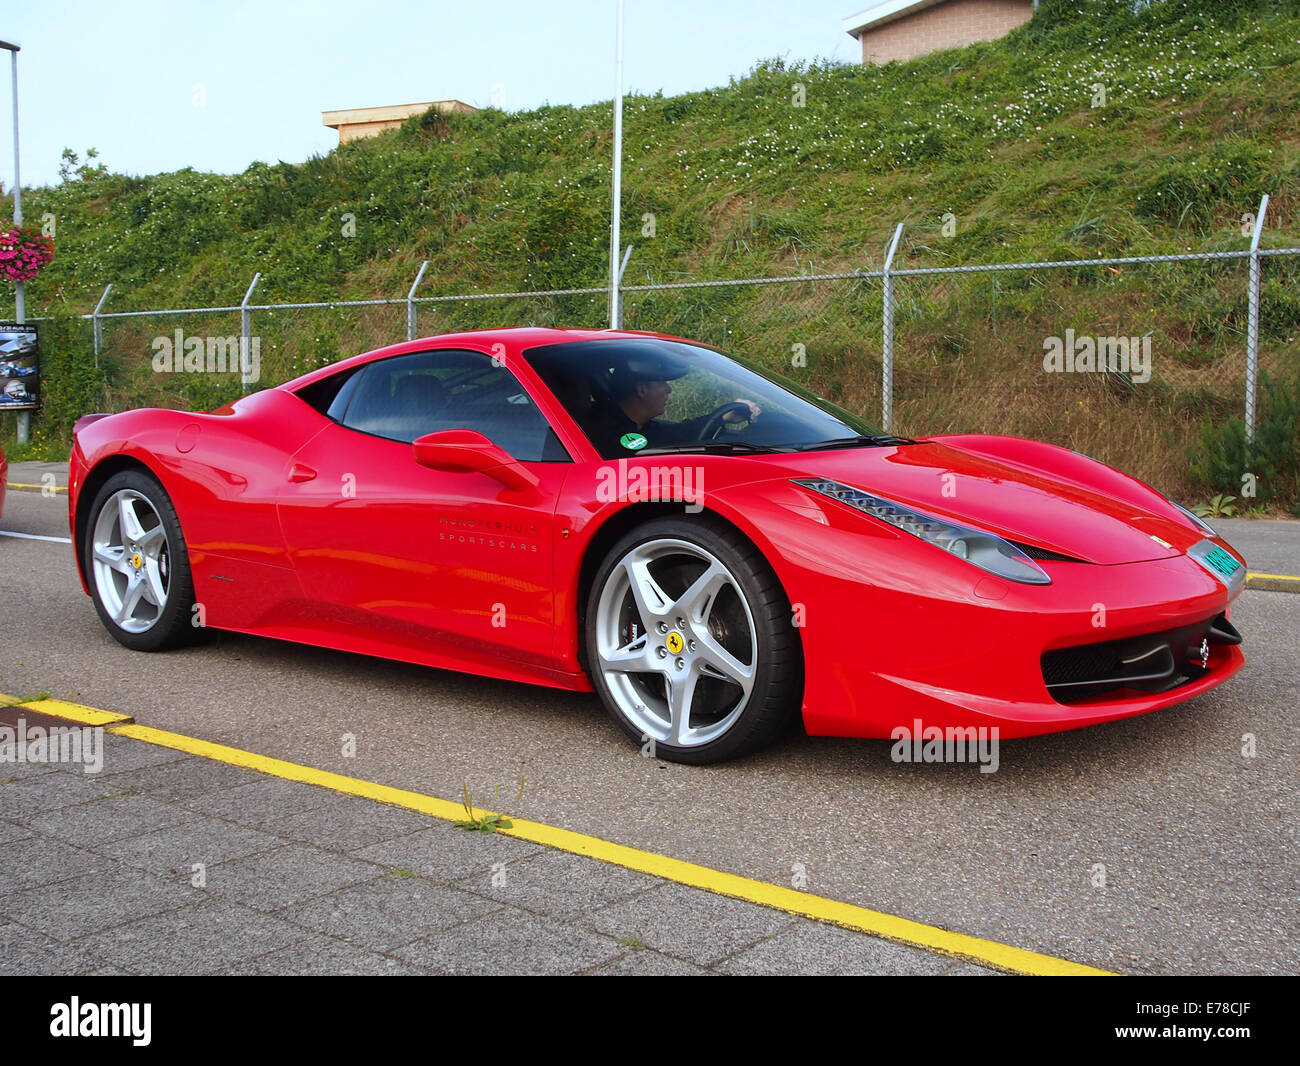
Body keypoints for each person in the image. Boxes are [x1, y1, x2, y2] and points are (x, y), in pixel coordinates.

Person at [576, 352, 760, 458]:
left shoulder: (645, 427)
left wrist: (723, 418)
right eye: (662, 382)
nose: (668, 389)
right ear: (642, 390)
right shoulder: (597, 429)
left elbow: (677, 433)